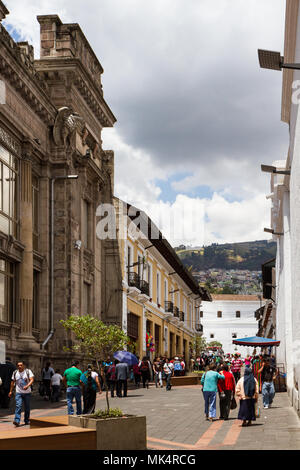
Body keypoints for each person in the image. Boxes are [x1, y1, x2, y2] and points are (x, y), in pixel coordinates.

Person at [8, 361, 34, 427]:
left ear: (24, 366)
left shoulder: (28, 371)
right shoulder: (15, 372)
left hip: (27, 393)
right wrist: (10, 391)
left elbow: (31, 379)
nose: (19, 366)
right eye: (18, 365)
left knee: (27, 407)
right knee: (18, 406)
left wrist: (27, 385)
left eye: (21, 365)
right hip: (18, 392)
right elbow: (12, 382)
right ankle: (17, 421)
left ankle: (27, 420)